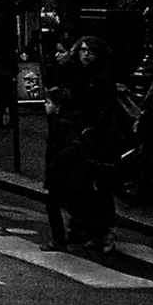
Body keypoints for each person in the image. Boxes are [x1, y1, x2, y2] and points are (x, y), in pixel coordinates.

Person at [42, 36, 123, 253]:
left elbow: (99, 110)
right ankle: (93, 231)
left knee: (97, 188)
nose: (85, 54)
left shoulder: (101, 78)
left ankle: (103, 231)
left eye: (90, 51)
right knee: (83, 189)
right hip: (83, 137)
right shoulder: (80, 74)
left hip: (96, 141)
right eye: (82, 50)